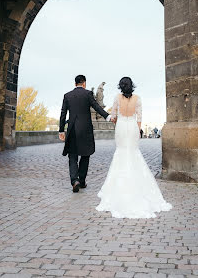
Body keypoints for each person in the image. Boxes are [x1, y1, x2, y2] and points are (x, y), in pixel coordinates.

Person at [96, 77, 172, 218]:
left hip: (121, 127)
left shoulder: (117, 98)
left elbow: (113, 116)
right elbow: (139, 118)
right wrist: (137, 130)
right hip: (132, 127)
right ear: (132, 86)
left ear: (120, 86)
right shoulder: (138, 98)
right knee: (133, 152)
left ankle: (117, 187)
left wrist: (117, 122)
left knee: (121, 152)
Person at [59, 75, 111, 192]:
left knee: (72, 156)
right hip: (85, 129)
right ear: (84, 83)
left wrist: (61, 130)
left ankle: (74, 180)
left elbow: (63, 114)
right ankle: (81, 181)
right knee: (85, 154)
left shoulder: (67, 95)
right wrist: (107, 116)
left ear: (75, 84)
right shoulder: (88, 94)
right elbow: (97, 107)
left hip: (72, 129)